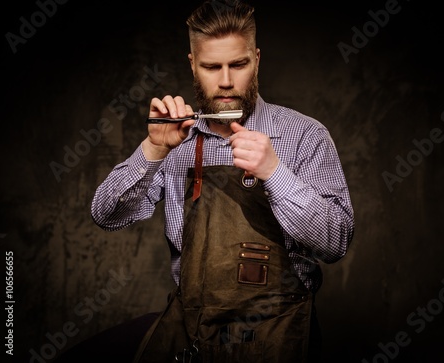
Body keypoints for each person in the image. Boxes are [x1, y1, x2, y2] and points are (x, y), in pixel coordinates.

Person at [55, 0, 354, 362]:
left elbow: (336, 242)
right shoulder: (176, 142)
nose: (226, 80)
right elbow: (105, 214)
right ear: (193, 65)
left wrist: (275, 173)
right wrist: (153, 149)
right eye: (212, 67)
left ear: (256, 59)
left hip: (277, 338)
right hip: (191, 335)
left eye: (238, 64)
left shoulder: (305, 135)